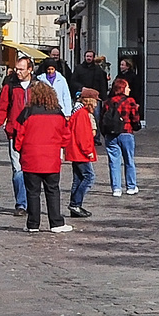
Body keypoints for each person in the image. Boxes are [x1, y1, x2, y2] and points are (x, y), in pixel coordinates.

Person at [15, 79, 72, 233]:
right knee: (52, 190)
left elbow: (19, 135)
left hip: (31, 158)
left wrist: (20, 150)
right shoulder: (58, 113)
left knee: (32, 192)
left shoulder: (27, 112)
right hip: (51, 158)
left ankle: (33, 224)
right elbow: (66, 136)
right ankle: (56, 223)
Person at [0, 56, 39, 215]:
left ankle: (32, 202)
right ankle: (21, 204)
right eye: (17, 69)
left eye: (21, 69)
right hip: (14, 134)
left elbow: (47, 109)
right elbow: (1, 110)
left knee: (33, 170)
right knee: (18, 170)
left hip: (34, 135)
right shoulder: (10, 87)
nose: (18, 72)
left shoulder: (38, 87)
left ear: (30, 70)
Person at [103, 73, 142, 195]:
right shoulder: (130, 101)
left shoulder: (108, 102)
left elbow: (102, 119)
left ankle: (116, 188)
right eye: (127, 87)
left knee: (114, 162)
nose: (129, 89)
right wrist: (136, 126)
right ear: (123, 88)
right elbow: (135, 118)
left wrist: (105, 133)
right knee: (129, 160)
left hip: (111, 135)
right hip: (126, 133)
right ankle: (131, 186)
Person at [65, 88, 100, 219]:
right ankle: (75, 204)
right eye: (95, 101)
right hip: (80, 152)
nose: (96, 104)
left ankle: (75, 206)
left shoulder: (78, 112)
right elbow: (82, 135)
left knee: (78, 178)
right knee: (89, 177)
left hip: (76, 151)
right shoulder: (82, 114)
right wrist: (88, 151)